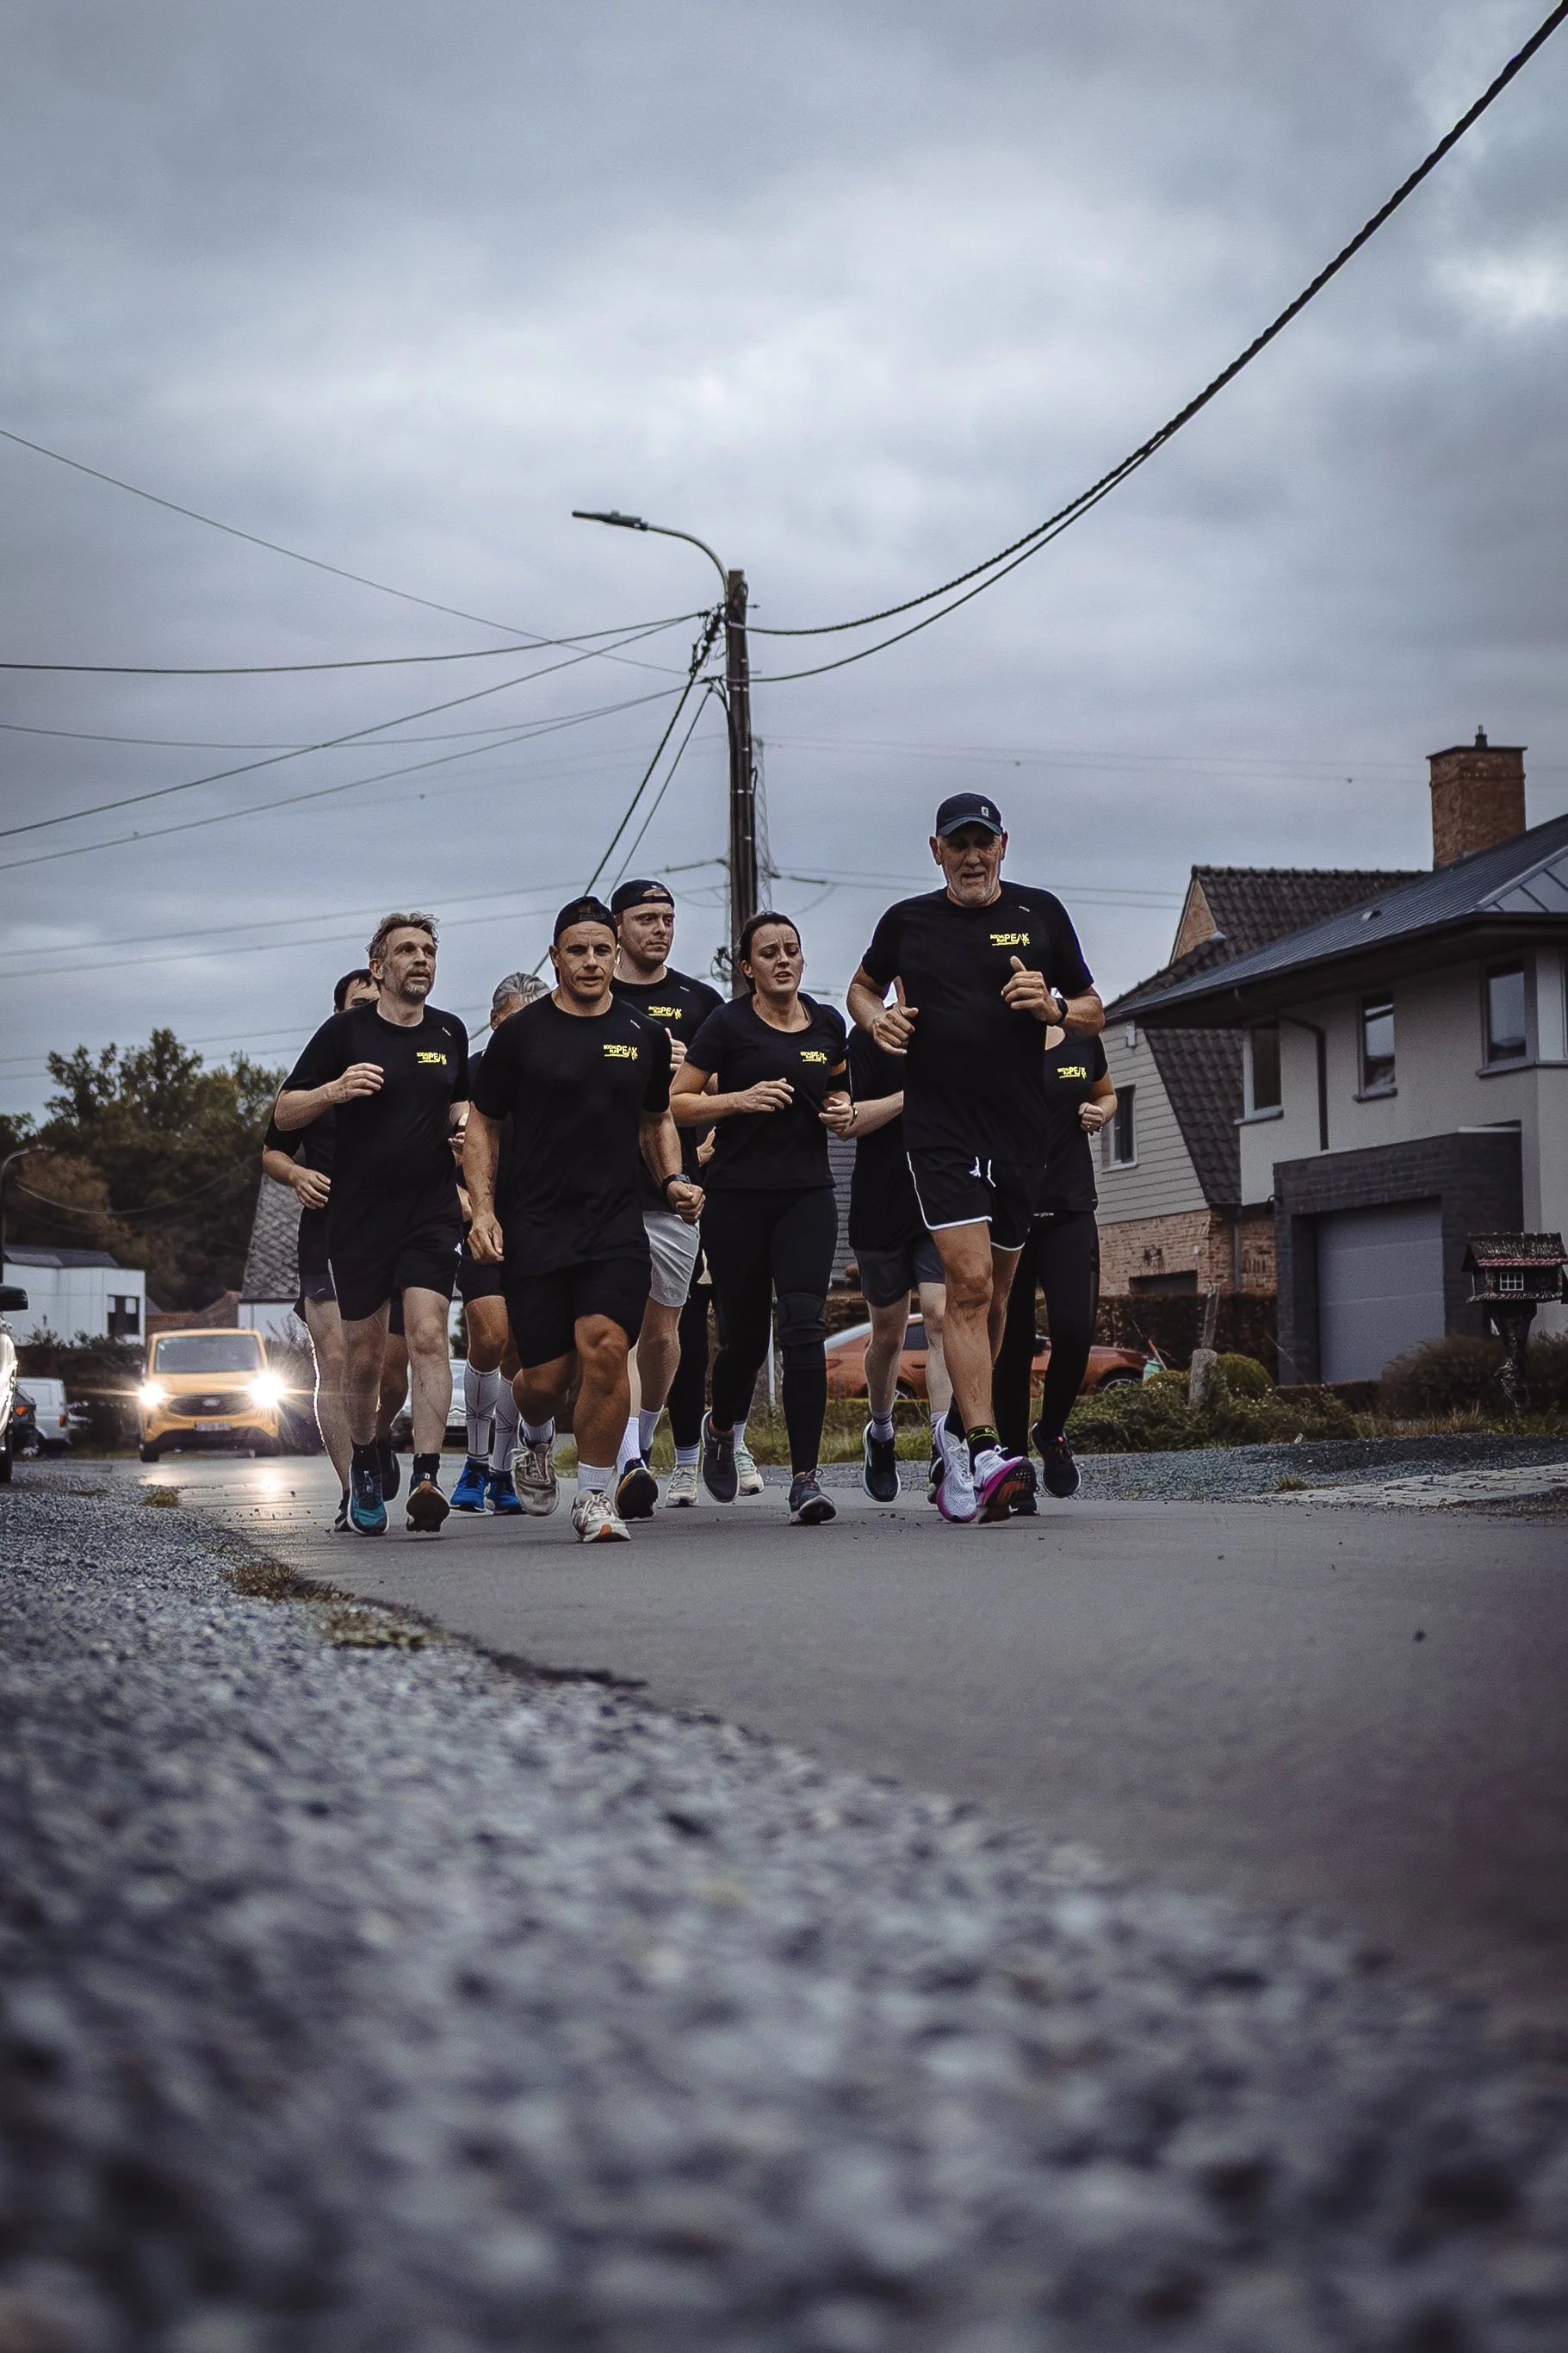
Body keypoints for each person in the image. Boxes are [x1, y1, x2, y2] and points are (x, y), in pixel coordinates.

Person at [847, 794, 1103, 1524]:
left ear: (1002, 846)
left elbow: (1093, 1008)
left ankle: (955, 1435)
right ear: (935, 851)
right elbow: (861, 988)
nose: (970, 857)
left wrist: (1053, 1008)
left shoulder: (1040, 914)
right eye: (956, 845)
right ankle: (987, 1449)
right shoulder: (907, 921)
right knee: (965, 1283)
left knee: (994, 1299)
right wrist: (876, 1020)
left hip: (1020, 1134)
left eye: (981, 843)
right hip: (939, 1131)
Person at [465, 897, 702, 1544]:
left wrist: (673, 1180)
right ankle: (534, 1434)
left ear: (615, 954)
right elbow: (482, 1123)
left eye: (601, 949)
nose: (591, 961)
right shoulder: (520, 1035)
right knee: (545, 1380)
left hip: (614, 1223)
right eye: (578, 950)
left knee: (605, 1348)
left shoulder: (642, 1034)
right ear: (555, 957)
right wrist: (483, 1209)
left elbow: (656, 1120)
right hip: (536, 1224)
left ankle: (595, 1496)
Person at [274, 913, 468, 1537]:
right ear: (379, 967)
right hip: (357, 1219)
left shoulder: (449, 1031)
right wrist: (333, 1090)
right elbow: (283, 1114)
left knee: (429, 1336)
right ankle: (362, 1463)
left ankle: (428, 1476)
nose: (421, 959)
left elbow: (459, 1106)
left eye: (429, 950)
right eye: (407, 950)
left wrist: (464, 1131)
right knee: (360, 1359)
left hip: (430, 1211)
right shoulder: (343, 1033)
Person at [673, 912, 850, 1527]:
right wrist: (739, 1100)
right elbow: (677, 1100)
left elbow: (838, 1085)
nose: (782, 960)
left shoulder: (828, 1023)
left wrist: (841, 1106)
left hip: (807, 1194)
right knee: (744, 1341)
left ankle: (804, 1479)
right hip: (737, 1197)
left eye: (791, 950)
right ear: (748, 967)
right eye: (769, 952)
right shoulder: (727, 1024)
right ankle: (721, 1429)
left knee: (803, 1323)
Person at [607, 879, 723, 1515]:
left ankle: (643, 1439)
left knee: (661, 1333)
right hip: (604, 1184)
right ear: (618, 927)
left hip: (675, 1186)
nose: (660, 929)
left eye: (668, 919)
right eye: (646, 918)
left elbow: (730, 1087)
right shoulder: (596, 994)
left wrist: (689, 1078)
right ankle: (628, 1459)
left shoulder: (700, 1002)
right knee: (616, 1328)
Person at [259, 965, 379, 1530]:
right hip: (326, 1229)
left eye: (376, 1004)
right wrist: (296, 1176)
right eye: (358, 1005)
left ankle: (373, 1452)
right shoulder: (315, 1076)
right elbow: (273, 1148)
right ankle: (353, 1489)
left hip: (392, 1230)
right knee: (334, 1359)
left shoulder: (408, 1065)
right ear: (338, 1015)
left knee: (381, 1365)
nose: (368, 1014)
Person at [993, 1030, 1116, 1503]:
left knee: (1075, 1330)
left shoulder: (1082, 1039)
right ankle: (1012, 1463)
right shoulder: (990, 1036)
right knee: (1013, 1343)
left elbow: (1106, 1095)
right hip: (1008, 1208)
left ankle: (1051, 1431)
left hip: (1069, 1207)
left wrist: (1100, 1112)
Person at [450, 972, 547, 1516]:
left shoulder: (552, 1076)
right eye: (516, 1020)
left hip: (540, 1224)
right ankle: (474, 1460)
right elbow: (430, 1145)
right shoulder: (468, 1074)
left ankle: (502, 1469)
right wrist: (464, 1197)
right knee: (490, 1335)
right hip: (482, 1222)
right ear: (494, 1021)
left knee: (523, 1350)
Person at [843, 1024, 951, 1504]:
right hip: (880, 1204)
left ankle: (945, 1448)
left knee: (940, 1317)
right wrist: (912, 1097)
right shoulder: (868, 1037)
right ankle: (881, 1432)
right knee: (887, 1334)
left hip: (941, 1200)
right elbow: (849, 1120)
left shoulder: (955, 1030)